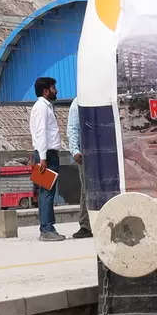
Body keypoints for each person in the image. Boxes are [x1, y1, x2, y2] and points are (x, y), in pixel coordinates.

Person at [30, 76, 65, 242]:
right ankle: (46, 229)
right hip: (46, 155)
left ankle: (47, 227)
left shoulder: (46, 107)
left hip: (48, 154)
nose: (56, 91)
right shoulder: (41, 108)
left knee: (47, 192)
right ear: (46, 91)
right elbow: (40, 133)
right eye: (53, 88)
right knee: (46, 193)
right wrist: (43, 158)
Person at [64, 97, 92, 239]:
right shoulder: (78, 101)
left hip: (104, 150)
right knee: (86, 189)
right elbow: (73, 127)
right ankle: (86, 226)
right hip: (86, 152)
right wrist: (74, 150)